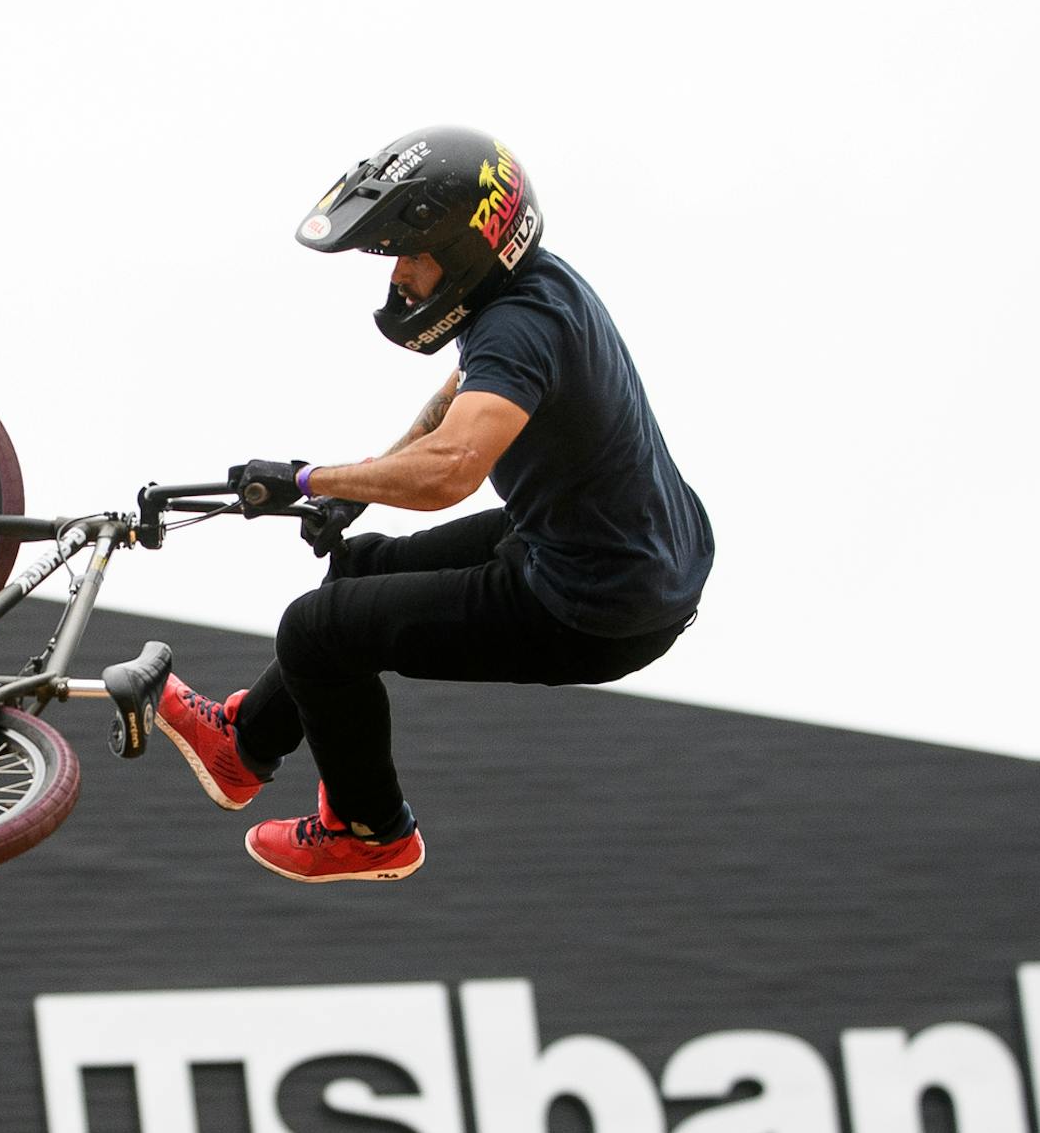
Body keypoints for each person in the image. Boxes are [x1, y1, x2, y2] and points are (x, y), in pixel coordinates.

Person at [155, 125, 714, 883]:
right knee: (362, 568)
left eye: (407, 256)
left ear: (463, 251)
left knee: (316, 632)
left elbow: (452, 468)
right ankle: (243, 746)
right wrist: (360, 486)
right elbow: (456, 403)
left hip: (594, 608)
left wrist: (312, 479)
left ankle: (370, 830)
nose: (398, 278)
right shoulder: (529, 291)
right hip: (607, 548)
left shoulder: (520, 325)